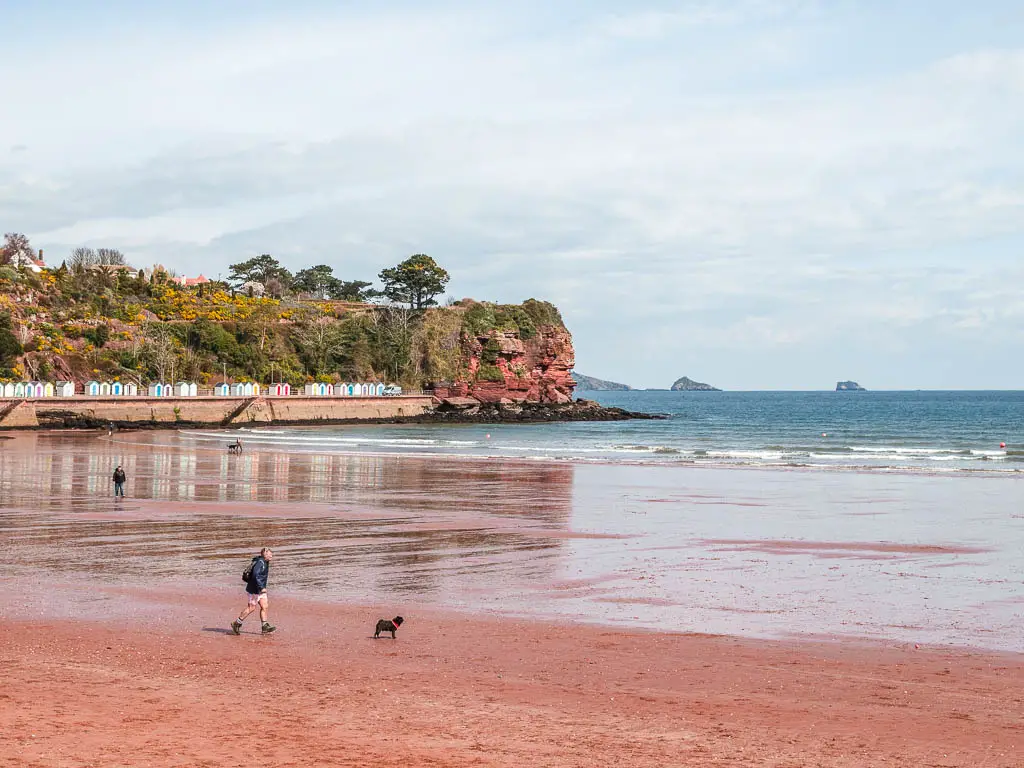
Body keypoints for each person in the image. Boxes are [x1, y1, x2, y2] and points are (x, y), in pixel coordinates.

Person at [232, 547, 276, 635]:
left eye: (271, 554)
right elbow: (256, 575)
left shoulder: (265, 562)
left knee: (265, 606)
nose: (272, 555)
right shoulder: (260, 562)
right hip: (254, 590)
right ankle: (236, 623)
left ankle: (265, 626)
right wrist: (261, 587)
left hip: (260, 589)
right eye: (270, 554)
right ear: (265, 554)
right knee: (251, 608)